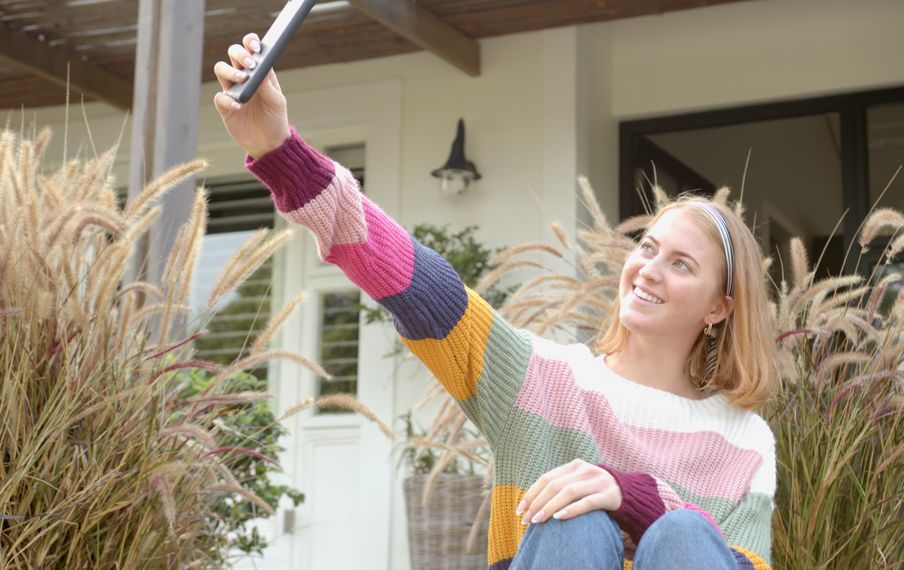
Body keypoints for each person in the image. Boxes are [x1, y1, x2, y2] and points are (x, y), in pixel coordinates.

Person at [214, 33, 779, 570]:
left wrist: (637, 497)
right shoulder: (540, 379)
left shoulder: (744, 440)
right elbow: (419, 285)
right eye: (648, 247)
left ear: (718, 309)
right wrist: (277, 149)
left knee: (682, 532)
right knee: (573, 521)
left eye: (681, 264)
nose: (648, 269)